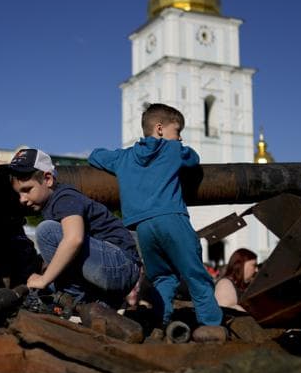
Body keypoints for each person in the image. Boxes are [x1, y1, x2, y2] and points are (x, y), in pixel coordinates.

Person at [88, 103, 222, 328]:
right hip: (172, 218)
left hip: (143, 228)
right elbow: (194, 159)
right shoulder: (172, 150)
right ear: (160, 129)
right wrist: (180, 148)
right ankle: (211, 325)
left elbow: (95, 156)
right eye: (177, 131)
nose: (179, 138)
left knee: (161, 277)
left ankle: (160, 322)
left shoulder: (124, 157)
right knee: (195, 273)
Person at [0, 148, 141, 313]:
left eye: (27, 190)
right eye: (18, 193)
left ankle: (74, 298)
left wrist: (44, 279)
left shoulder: (64, 198)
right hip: (113, 270)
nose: (22, 199)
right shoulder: (52, 197)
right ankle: (88, 303)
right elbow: (8, 172)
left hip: (120, 265)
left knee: (47, 232)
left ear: (48, 179)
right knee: (49, 284)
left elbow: (74, 239)